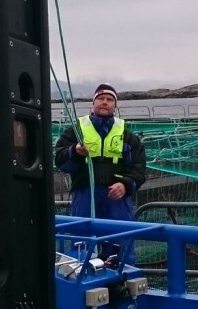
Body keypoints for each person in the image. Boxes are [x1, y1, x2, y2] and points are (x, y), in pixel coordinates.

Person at [55, 83, 147, 259]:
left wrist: (125, 185)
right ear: (93, 103)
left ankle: (122, 275)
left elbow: (139, 168)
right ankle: (83, 275)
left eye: (110, 99)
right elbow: (60, 160)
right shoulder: (76, 131)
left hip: (117, 201)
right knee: (81, 246)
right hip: (85, 197)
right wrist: (74, 151)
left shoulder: (128, 136)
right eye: (101, 98)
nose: (105, 102)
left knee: (121, 248)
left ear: (115, 106)